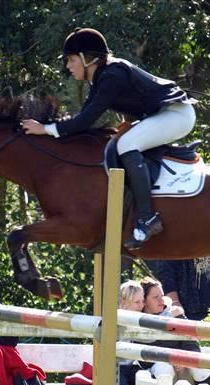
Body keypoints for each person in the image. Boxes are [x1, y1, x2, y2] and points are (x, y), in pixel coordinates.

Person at [22, 27, 196, 249]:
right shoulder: (102, 77)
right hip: (164, 114)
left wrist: (45, 129)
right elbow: (83, 117)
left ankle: (148, 217)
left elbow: (85, 121)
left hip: (176, 114)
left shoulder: (112, 74)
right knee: (121, 142)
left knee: (126, 144)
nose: (68, 66)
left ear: (86, 58)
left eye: (71, 60)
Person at [117, 280, 145, 385]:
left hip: (132, 364)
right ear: (124, 302)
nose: (141, 305)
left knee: (145, 384)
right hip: (116, 365)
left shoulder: (140, 318)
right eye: (137, 302)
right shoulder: (116, 317)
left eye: (142, 301)